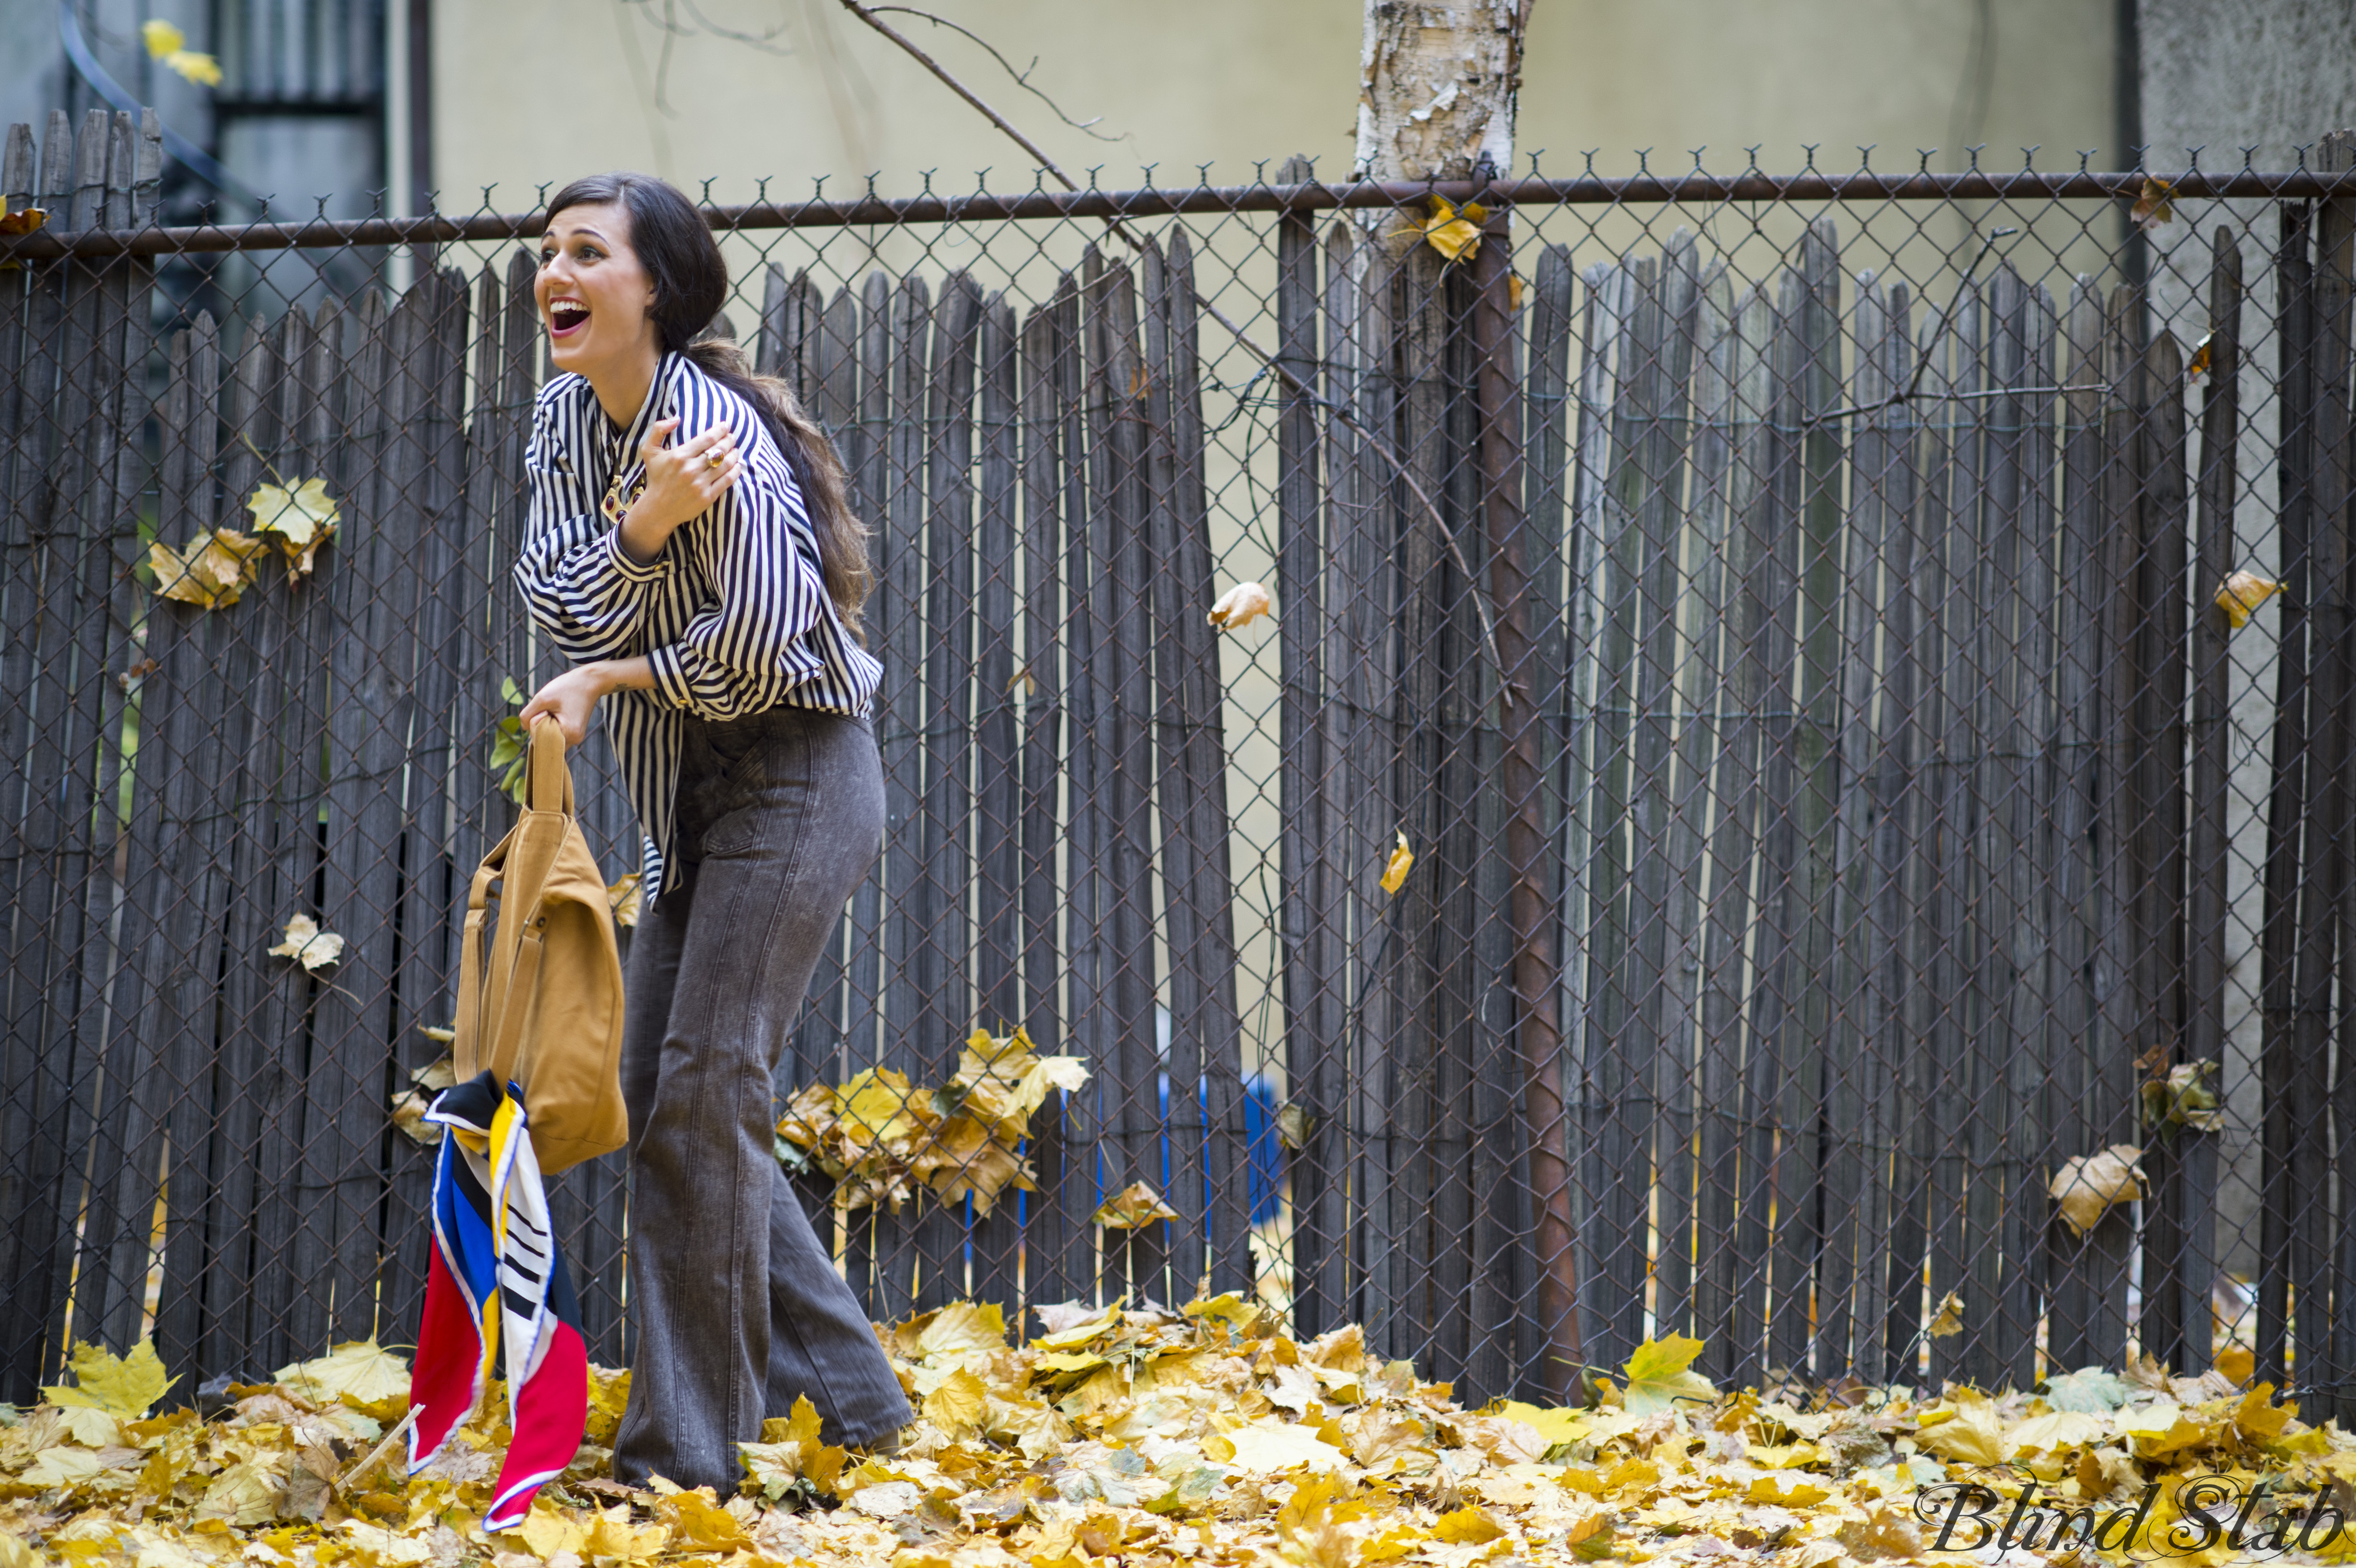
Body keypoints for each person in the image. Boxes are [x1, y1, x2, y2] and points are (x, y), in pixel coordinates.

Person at [513, 170, 911, 1492]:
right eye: (547, 251)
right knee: (671, 1098)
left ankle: (687, 1458)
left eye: (587, 253)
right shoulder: (570, 422)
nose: (554, 274)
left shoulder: (715, 427)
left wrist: (620, 673)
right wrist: (641, 529)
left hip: (799, 773)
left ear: (658, 289)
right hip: (691, 797)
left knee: (706, 1089)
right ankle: (857, 1407)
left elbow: (756, 649)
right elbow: (556, 594)